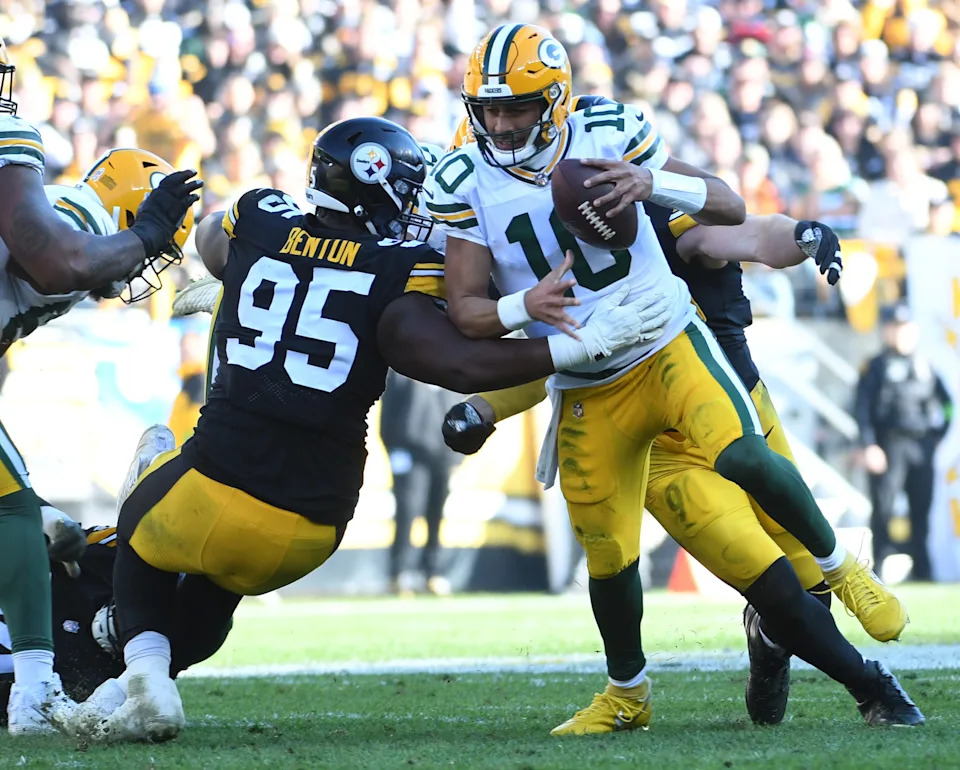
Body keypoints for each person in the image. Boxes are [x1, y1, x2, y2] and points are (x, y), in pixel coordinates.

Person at [59, 116, 675, 745]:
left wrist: (238, 277)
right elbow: (461, 365)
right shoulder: (401, 270)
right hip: (312, 526)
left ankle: (145, 674)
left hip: (215, 482)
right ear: (376, 184)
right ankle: (131, 684)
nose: (414, 205)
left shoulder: (261, 218)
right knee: (217, 590)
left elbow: (215, 236)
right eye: (407, 190)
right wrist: (577, 344)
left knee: (142, 517)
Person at [428, 25, 908, 735]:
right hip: (606, 399)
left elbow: (734, 223)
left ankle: (835, 582)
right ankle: (670, 686)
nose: (500, 125)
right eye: (489, 110)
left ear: (555, 103)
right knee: (677, 565)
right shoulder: (468, 183)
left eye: (516, 108)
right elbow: (499, 327)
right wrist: (513, 330)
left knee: (772, 507)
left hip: (683, 360)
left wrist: (792, 230)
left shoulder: (619, 160)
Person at [0, 36, 201, 735]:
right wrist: (145, 236)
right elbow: (64, 260)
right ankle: (33, 692)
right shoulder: (78, 217)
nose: (147, 266)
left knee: (21, 508)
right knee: (14, 513)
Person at [855, 303, 952, 581]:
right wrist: (869, 445)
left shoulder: (925, 366)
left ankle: (923, 571)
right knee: (883, 509)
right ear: (886, 331)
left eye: (904, 327)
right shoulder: (875, 367)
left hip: (921, 446)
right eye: (894, 327)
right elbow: (861, 409)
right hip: (888, 447)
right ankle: (879, 569)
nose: (900, 333)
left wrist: (939, 434)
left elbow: (947, 406)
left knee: (921, 509)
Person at [381, 370, 458, 595]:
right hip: (410, 452)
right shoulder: (404, 370)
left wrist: (457, 458)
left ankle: (432, 572)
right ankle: (400, 573)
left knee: (436, 514)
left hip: (443, 453)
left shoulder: (453, 373)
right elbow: (388, 413)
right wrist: (394, 449)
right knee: (407, 511)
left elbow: (459, 413)